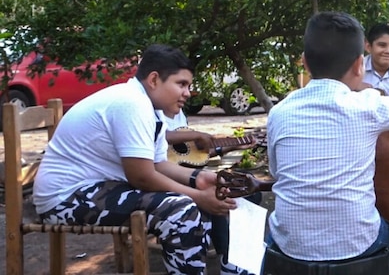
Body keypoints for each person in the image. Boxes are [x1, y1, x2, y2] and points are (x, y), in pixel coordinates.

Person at [33, 44, 241, 275]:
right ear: (154, 79)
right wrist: (197, 196)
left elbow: (158, 164)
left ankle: (233, 269)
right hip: (64, 198)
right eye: (181, 84)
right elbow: (142, 176)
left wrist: (200, 178)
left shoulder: (150, 108)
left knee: (212, 195)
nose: (187, 93)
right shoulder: (132, 103)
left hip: (98, 187)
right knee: (183, 209)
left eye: (188, 86)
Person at [265, 11, 389, 275]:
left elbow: (276, 173)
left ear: (304, 62)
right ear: (361, 64)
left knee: (276, 230)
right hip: (356, 242)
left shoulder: (279, 112)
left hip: (290, 245)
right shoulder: (367, 105)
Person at [157, 107, 260, 275]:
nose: (186, 92)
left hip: (191, 175)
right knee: (217, 196)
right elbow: (162, 136)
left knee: (246, 186)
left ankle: (237, 253)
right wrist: (196, 134)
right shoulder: (153, 111)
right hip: (170, 181)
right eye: (180, 84)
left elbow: (196, 155)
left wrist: (233, 146)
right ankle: (228, 255)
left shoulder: (179, 114)